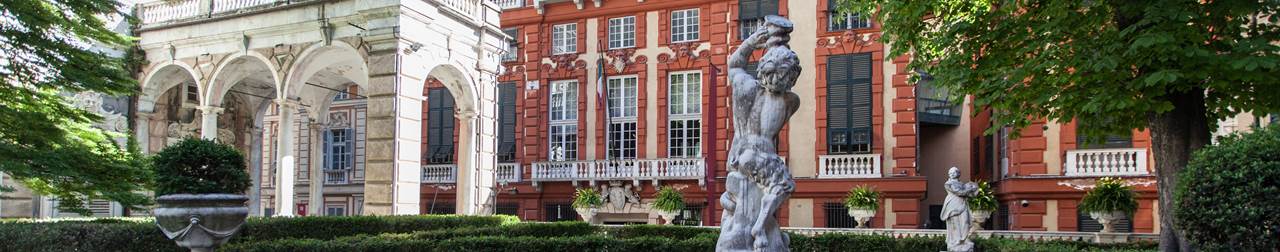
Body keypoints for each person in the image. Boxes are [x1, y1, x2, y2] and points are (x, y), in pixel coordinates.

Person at [941, 167, 977, 252]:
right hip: (953, 205)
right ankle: (956, 241)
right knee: (955, 224)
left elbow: (969, 194)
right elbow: (959, 192)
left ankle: (964, 240)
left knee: (965, 222)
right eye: (950, 173)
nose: (951, 174)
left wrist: (974, 189)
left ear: (958, 174)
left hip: (962, 204)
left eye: (953, 172)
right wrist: (969, 189)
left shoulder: (962, 184)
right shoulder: (948, 184)